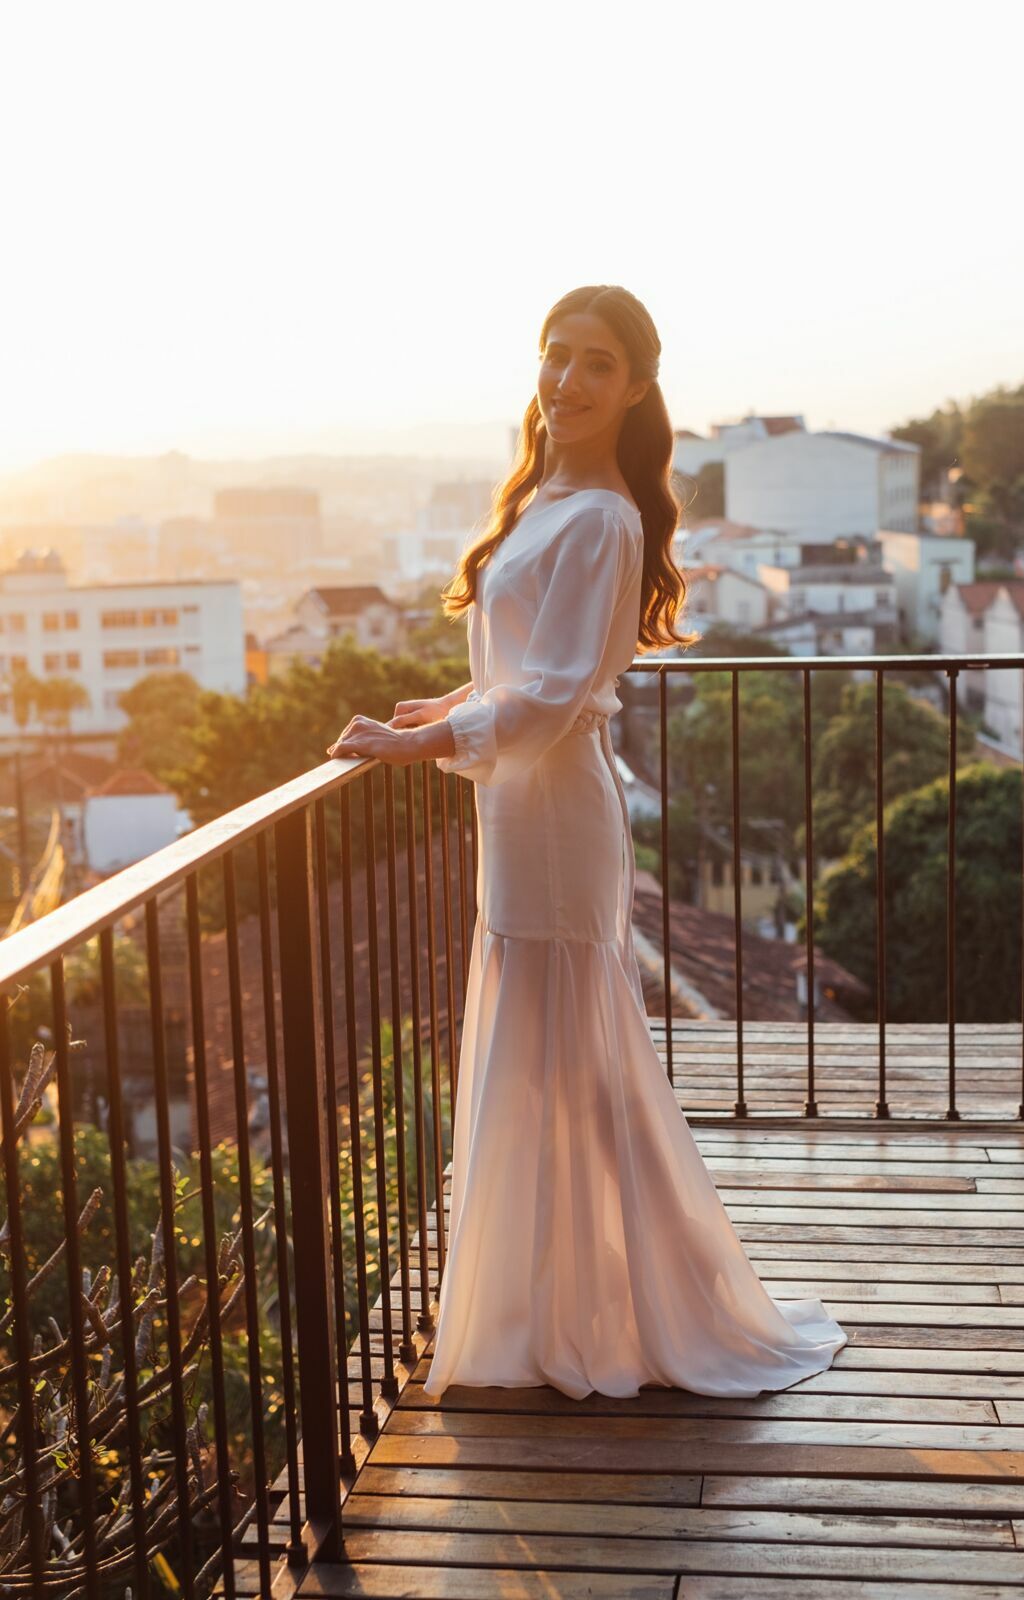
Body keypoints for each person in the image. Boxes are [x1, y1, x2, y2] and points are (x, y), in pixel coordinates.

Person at [327, 284, 847, 1400]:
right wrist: (441, 707)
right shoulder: (551, 496)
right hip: (525, 807)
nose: (564, 379)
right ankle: (556, 1301)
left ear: (637, 386)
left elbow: (559, 691)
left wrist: (420, 747)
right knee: (554, 1063)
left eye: (594, 362)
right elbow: (525, 667)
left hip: (557, 816)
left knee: (571, 1063)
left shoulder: (604, 515)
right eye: (553, 354)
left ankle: (615, 1305)